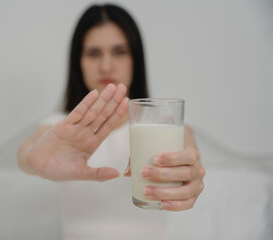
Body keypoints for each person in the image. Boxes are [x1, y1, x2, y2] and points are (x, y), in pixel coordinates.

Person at [18, 3, 205, 239]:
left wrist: (188, 170)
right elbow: (28, 152)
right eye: (93, 53)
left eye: (119, 51)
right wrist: (32, 159)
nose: (106, 66)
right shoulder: (60, 126)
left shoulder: (165, 121)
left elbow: (187, 146)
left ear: (135, 59)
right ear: (78, 62)